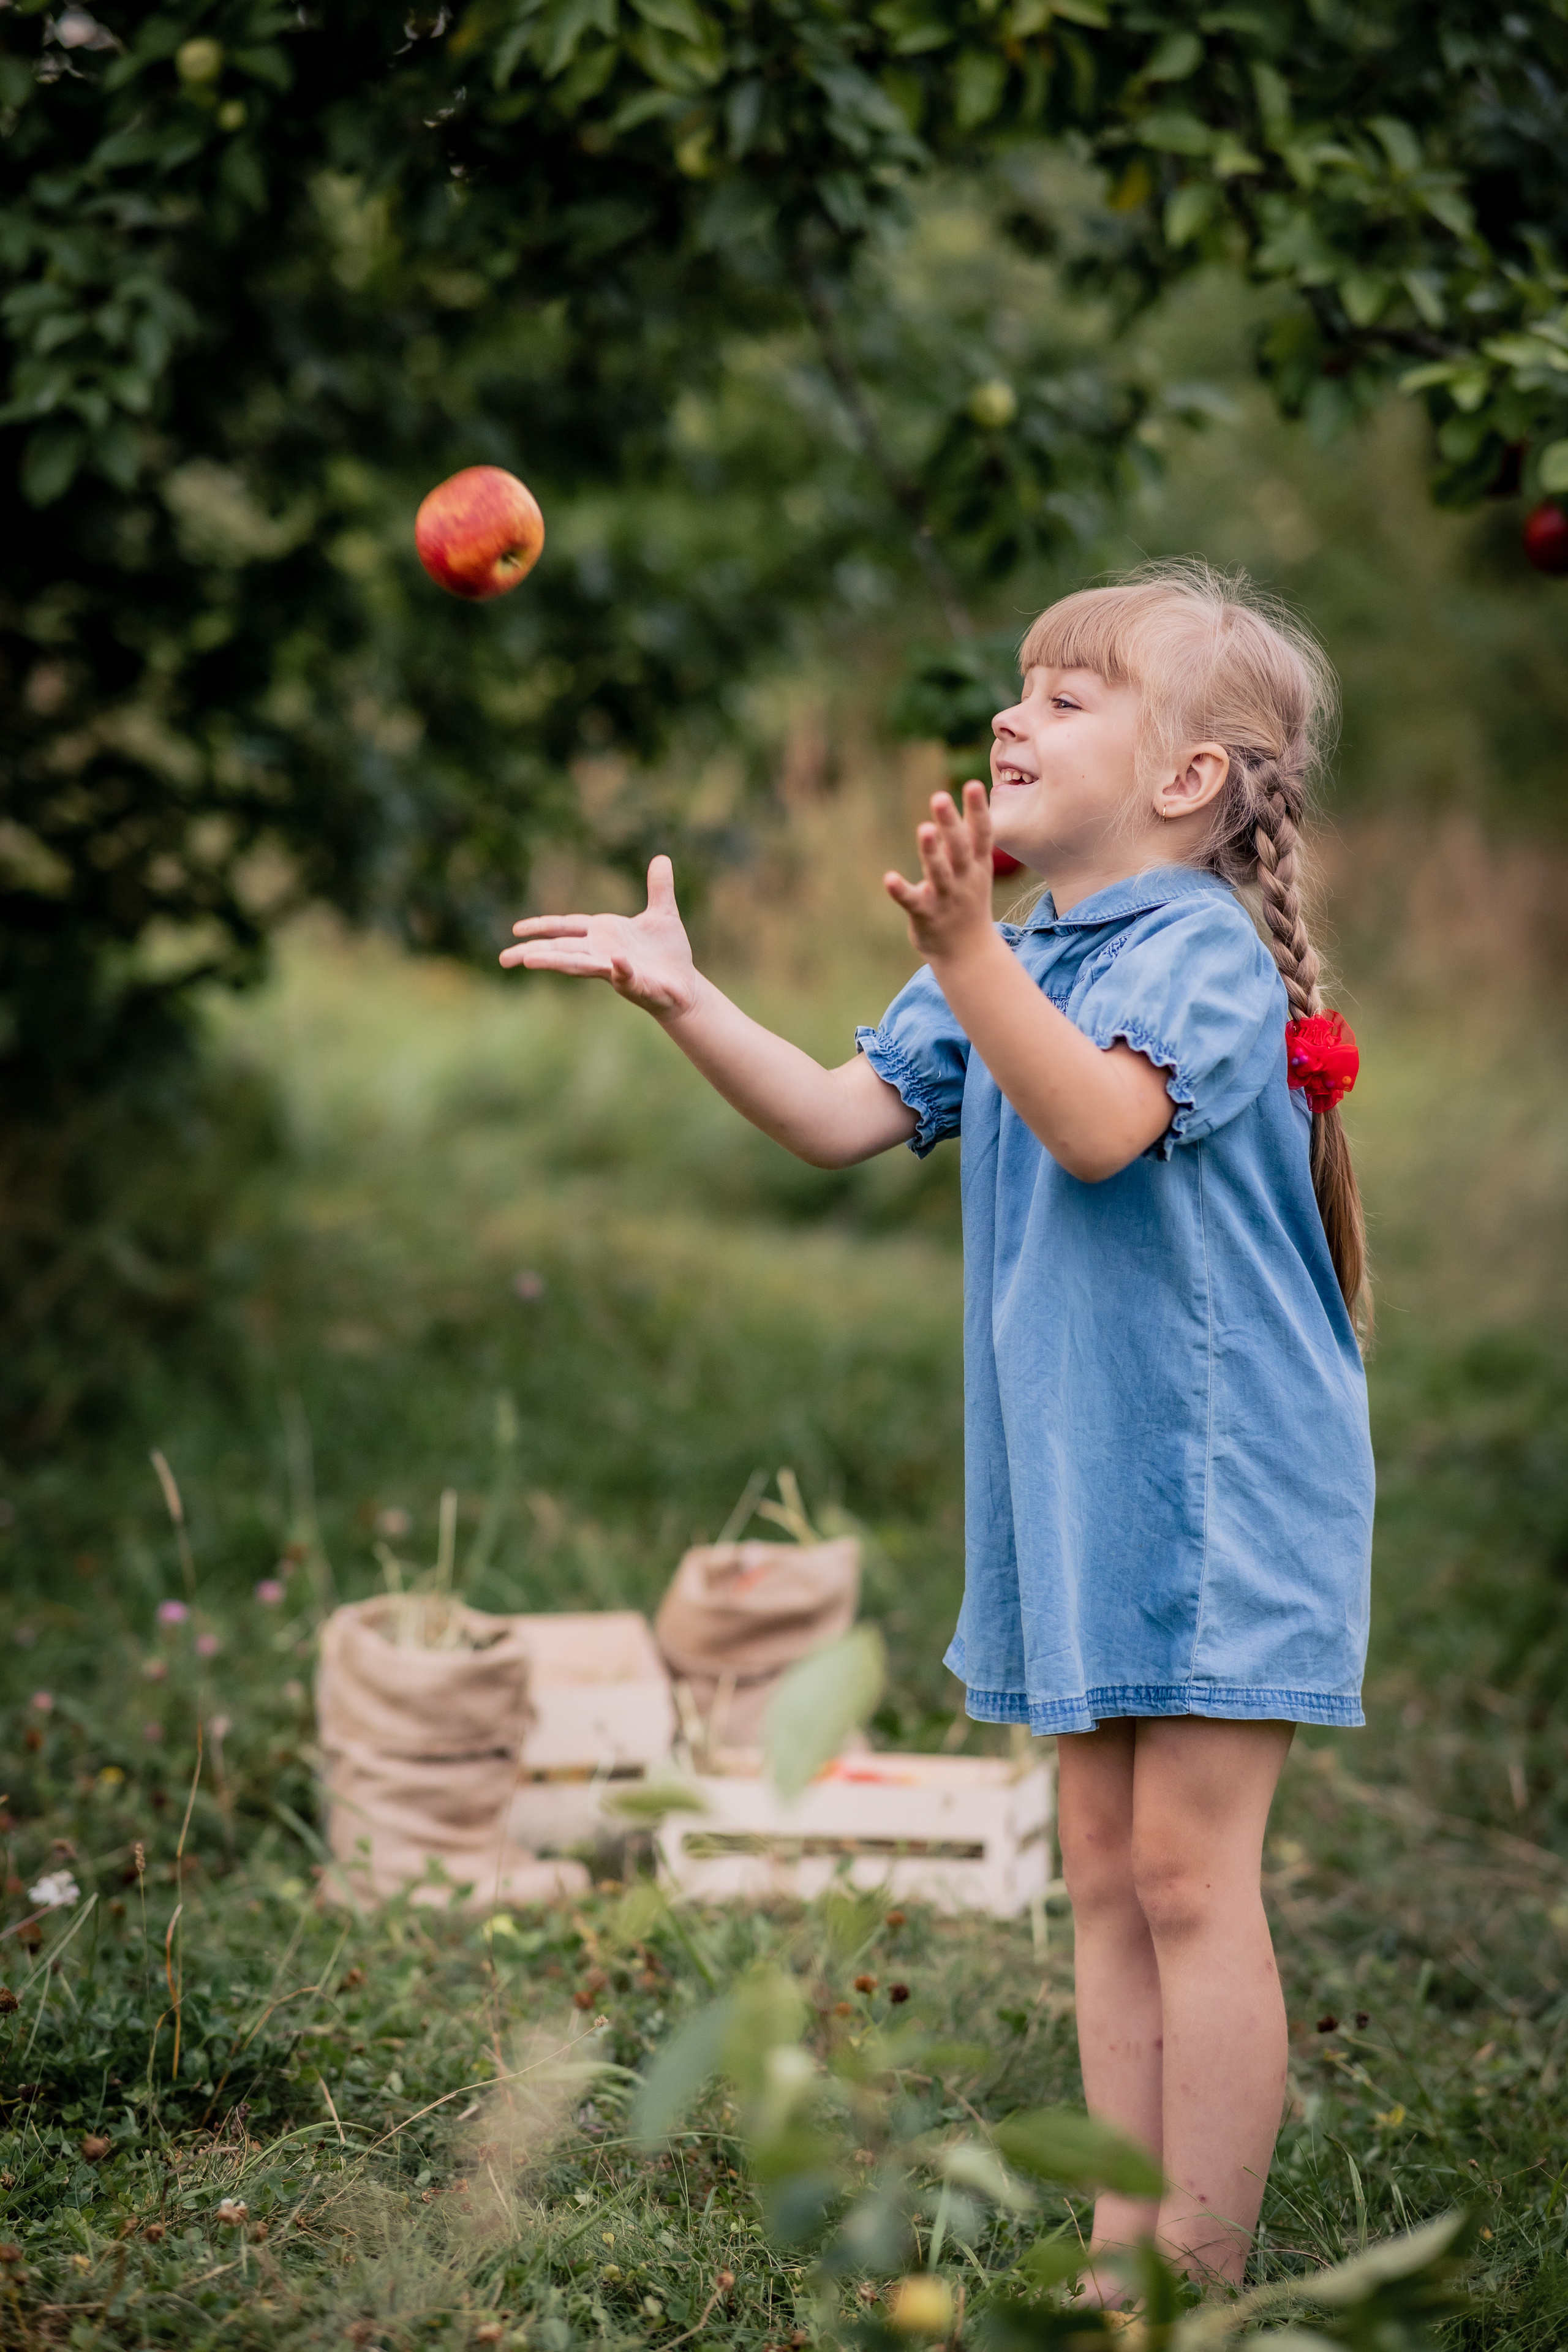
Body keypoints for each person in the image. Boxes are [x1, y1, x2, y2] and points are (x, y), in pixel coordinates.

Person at [500, 561, 1373, 2292]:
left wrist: (972, 956)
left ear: (1190, 780)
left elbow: (1103, 1128)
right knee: (1111, 1874)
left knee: (1194, 1886)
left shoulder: (1191, 953)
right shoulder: (1029, 951)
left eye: (1065, 697)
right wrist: (688, 997)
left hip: (1220, 1484)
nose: (1010, 717)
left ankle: (1187, 2287)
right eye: (1018, 686)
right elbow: (839, 1117)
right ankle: (1125, 2260)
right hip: (1081, 1487)